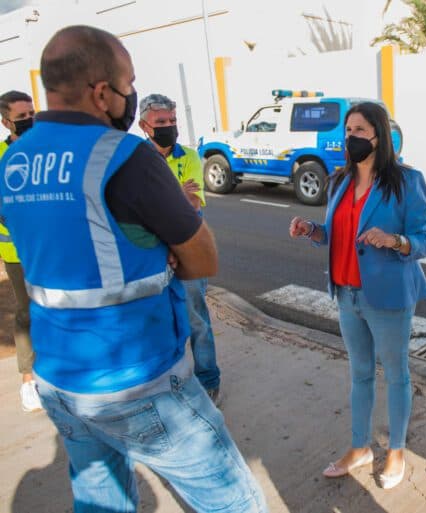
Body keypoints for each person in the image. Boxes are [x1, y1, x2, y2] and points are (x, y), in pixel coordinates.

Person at [0, 25, 267, 512]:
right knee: (236, 504)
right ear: (102, 93)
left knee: (102, 502)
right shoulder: (123, 155)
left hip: (59, 379)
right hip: (137, 380)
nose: (131, 95)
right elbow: (203, 258)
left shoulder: (14, 160)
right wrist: (161, 248)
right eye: (128, 84)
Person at [289, 101, 426, 489]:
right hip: (346, 294)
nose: (350, 138)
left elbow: (425, 240)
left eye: (359, 131)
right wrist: (311, 229)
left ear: (378, 136)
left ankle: (397, 450)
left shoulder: (406, 181)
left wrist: (395, 240)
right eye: (347, 130)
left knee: (397, 375)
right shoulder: (339, 181)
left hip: (387, 298)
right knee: (360, 375)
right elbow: (334, 234)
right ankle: (360, 447)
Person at [138, 93, 221, 405]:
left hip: (188, 253)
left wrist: (162, 199)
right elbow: (138, 210)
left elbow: (192, 205)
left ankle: (209, 379)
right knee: (160, 324)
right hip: (152, 256)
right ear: (144, 125)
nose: (169, 127)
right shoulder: (136, 159)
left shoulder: (189, 156)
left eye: (172, 121)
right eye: (161, 122)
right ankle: (169, 385)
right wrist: (176, 192)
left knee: (197, 320)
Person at [0, 90, 42, 412]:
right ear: (5, 121)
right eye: (22, 116)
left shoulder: (44, 148)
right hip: (17, 250)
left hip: (50, 244)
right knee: (26, 311)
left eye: (32, 113)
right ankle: (28, 379)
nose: (29, 120)